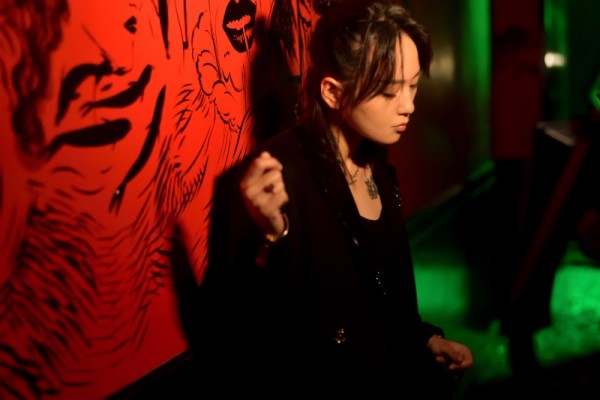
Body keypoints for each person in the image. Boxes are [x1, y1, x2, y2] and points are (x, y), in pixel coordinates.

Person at [202, 0, 474, 397]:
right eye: (389, 91)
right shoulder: (280, 172)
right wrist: (268, 236)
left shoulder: (377, 162)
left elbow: (381, 297)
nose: (409, 106)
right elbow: (252, 333)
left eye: (413, 85)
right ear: (332, 92)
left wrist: (426, 341)